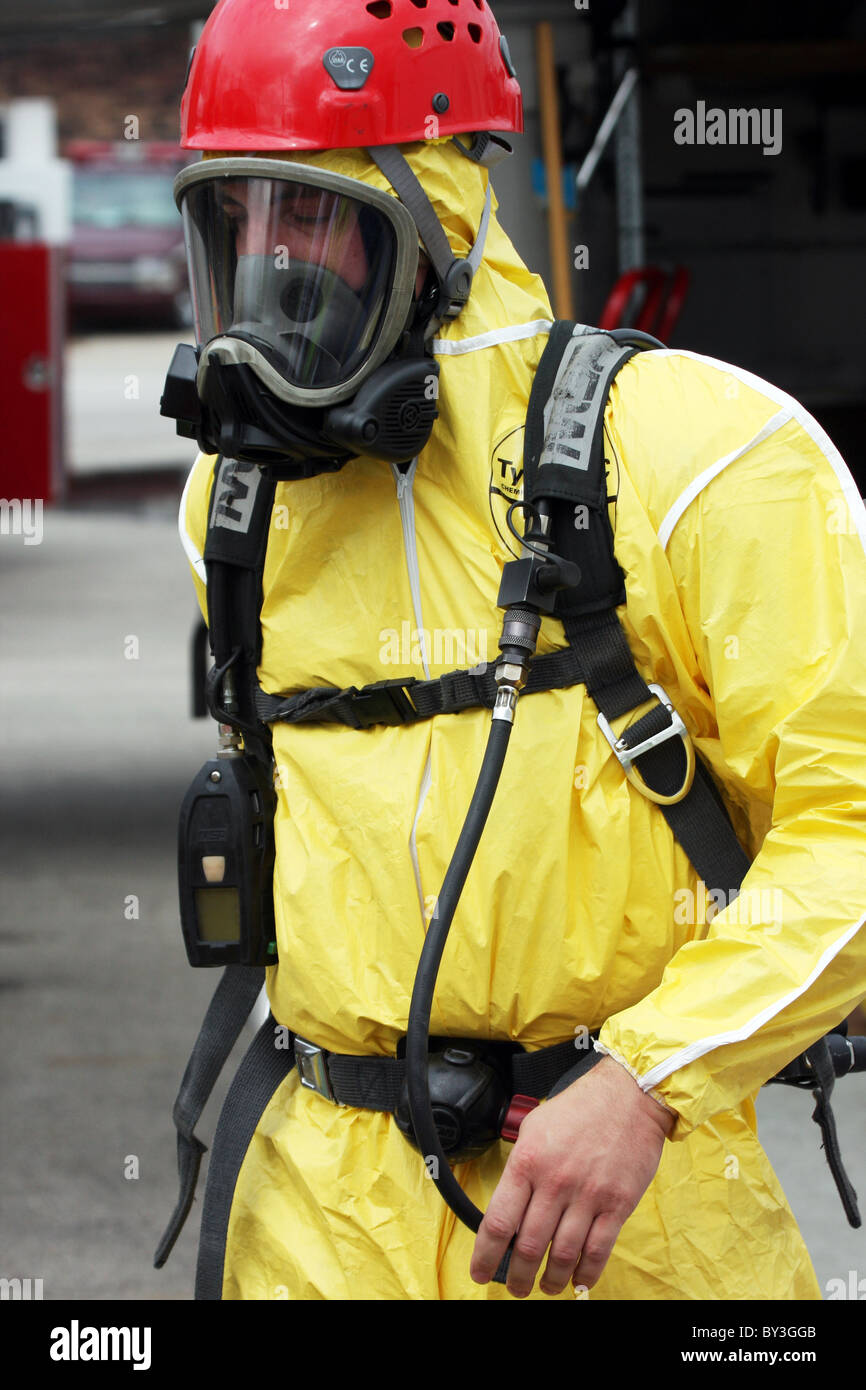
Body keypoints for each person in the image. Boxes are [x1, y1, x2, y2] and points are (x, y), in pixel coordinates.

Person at [172, 0, 866, 1300]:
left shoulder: (692, 457)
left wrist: (649, 1079)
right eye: (237, 223)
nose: (271, 271)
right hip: (310, 1221)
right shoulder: (235, 504)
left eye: (314, 216)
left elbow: (850, 829)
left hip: (628, 1223)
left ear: (433, 213)